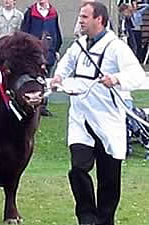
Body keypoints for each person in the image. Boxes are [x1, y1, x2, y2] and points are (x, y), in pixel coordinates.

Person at [50, 2, 146, 225]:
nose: (80, 20)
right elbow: (66, 64)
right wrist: (58, 78)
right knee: (78, 168)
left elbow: (137, 75)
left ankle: (104, 220)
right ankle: (86, 217)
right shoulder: (79, 45)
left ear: (99, 20)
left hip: (107, 121)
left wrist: (117, 79)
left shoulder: (116, 47)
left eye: (85, 16)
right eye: (80, 16)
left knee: (109, 178)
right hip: (81, 119)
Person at [21, 0, 62, 117]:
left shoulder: (53, 13)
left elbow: (56, 33)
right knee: (33, 78)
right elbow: (24, 33)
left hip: (48, 54)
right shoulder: (30, 12)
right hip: (33, 55)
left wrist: (55, 50)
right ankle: (30, 104)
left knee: (45, 79)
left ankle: (43, 106)